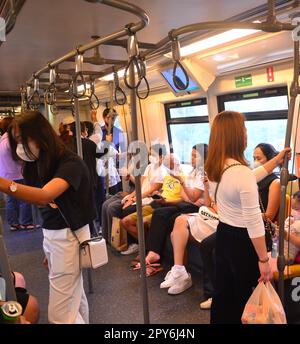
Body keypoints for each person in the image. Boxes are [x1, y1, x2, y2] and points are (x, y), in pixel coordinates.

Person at [0, 110, 95, 324]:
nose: (20, 147)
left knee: (60, 314)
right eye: (16, 142)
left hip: (70, 236)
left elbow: (44, 196)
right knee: (74, 297)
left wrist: (4, 184)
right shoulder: (39, 164)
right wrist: (49, 248)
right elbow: (48, 209)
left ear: (39, 136)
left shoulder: (70, 163)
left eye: (22, 140)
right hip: (54, 234)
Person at [205, 110, 273, 324]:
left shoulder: (216, 166)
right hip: (243, 243)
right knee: (244, 298)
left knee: (224, 295)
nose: (246, 134)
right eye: (243, 129)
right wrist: (263, 259)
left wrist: (277, 161)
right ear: (236, 135)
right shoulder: (240, 172)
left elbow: (248, 177)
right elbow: (253, 221)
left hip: (224, 234)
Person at [137, 144, 207, 278]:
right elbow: (186, 195)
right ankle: (154, 253)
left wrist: (188, 192)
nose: (192, 159)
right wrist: (190, 195)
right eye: (191, 155)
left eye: (195, 156)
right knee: (159, 213)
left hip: (196, 208)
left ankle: (162, 259)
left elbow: (192, 196)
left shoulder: (203, 173)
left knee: (168, 219)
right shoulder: (192, 172)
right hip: (186, 204)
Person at [0, 117, 33, 231]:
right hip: (17, 175)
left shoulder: (2, 140)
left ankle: (13, 223)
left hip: (5, 176)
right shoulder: (11, 142)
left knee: (11, 201)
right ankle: (25, 222)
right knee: (25, 199)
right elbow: (20, 157)